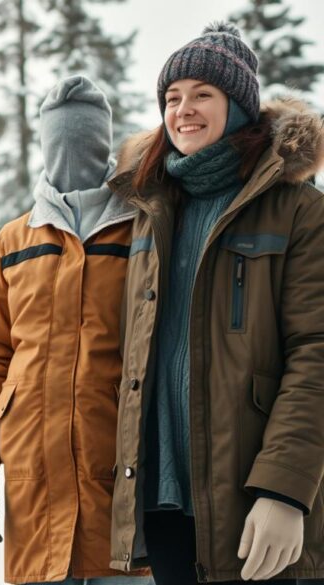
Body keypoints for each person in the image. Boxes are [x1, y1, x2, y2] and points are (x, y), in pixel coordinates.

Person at [108, 23, 324, 584]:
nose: (184, 109)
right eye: (172, 98)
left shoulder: (298, 209)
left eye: (203, 93)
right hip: (165, 495)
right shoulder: (148, 209)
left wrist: (285, 489)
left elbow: (316, 353)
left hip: (256, 501)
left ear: (240, 106)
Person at [0, 76, 153, 585]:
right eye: (59, 140)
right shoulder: (14, 241)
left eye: (85, 140)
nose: (71, 154)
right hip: (34, 486)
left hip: (119, 483)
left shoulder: (143, 230)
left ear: (105, 143)